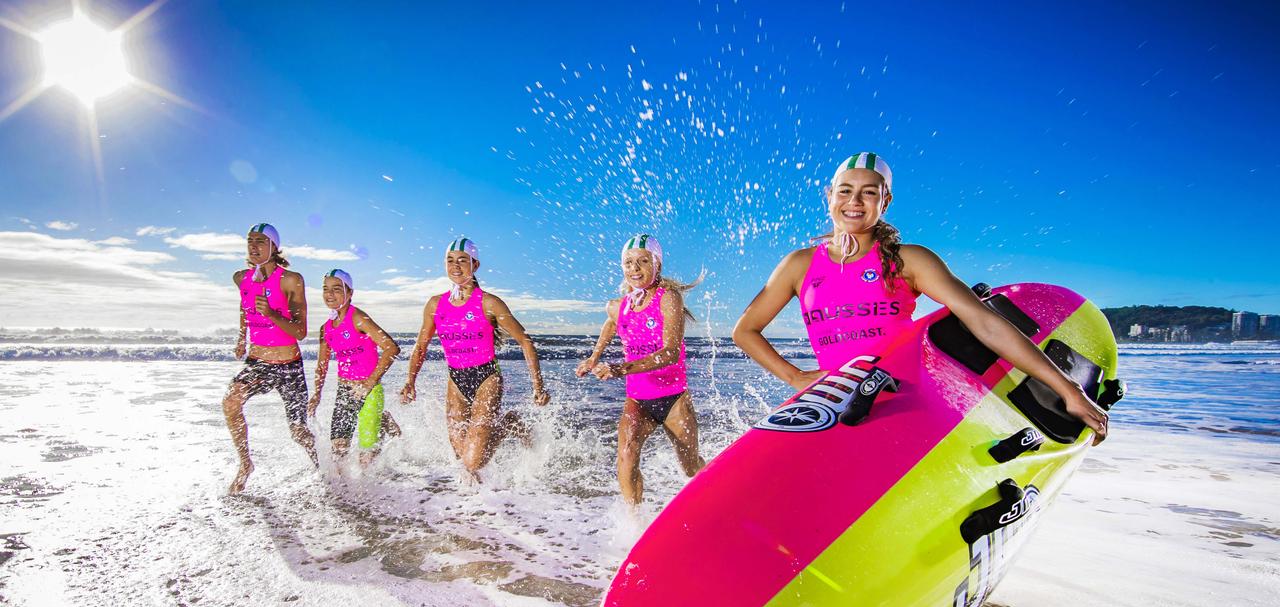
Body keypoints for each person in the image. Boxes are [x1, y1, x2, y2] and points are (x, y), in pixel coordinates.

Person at [732, 152, 1109, 443]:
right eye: (845, 190)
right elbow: (746, 330)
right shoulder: (799, 265)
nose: (855, 201)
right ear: (829, 196)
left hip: (905, 401)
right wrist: (796, 378)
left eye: (869, 192)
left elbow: (983, 322)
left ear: (886, 201)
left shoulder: (909, 260)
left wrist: (1067, 388)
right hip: (840, 400)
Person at [399, 238, 551, 480]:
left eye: (462, 260)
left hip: (486, 378)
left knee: (474, 460)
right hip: (455, 380)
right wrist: (410, 381)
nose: (455, 266)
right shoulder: (435, 304)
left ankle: (510, 423)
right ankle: (473, 506)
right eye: (450, 261)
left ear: (475, 264)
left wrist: (538, 386)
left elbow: (525, 341)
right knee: (462, 459)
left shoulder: (489, 302)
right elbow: (421, 346)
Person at [577, 233, 707, 506]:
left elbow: (671, 353)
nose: (634, 269)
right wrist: (593, 357)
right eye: (628, 263)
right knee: (626, 453)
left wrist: (620, 368)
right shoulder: (618, 305)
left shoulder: (668, 298)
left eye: (642, 261)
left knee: (691, 466)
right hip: (638, 399)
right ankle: (634, 525)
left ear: (656, 264)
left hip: (673, 400)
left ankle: (720, 496)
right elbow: (612, 323)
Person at [223, 222, 318, 494]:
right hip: (258, 363)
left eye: (261, 242)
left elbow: (300, 331)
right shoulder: (241, 278)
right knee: (231, 402)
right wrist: (243, 336)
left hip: (288, 365)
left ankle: (325, 468)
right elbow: (244, 305)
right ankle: (245, 464)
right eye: (250, 241)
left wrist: (273, 315)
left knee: (298, 432)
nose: (254, 246)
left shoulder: (291, 280)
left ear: (274, 248)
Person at [307, 269, 402, 469]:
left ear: (349, 293)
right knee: (338, 453)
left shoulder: (358, 318)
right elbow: (322, 364)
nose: (329, 294)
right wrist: (317, 394)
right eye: (325, 289)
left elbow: (391, 348)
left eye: (336, 289)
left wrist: (369, 383)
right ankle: (343, 497)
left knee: (365, 461)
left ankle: (371, 495)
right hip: (345, 392)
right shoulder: (327, 328)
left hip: (369, 391)